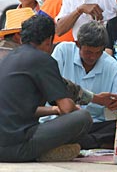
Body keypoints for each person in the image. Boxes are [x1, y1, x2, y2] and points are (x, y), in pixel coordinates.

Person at [0, 15, 93, 162]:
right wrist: (72, 109)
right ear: (49, 40)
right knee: (83, 117)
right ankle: (43, 152)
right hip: (19, 146)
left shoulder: (7, 59)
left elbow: (20, 110)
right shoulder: (43, 59)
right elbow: (67, 108)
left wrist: (53, 110)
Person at [0, 7, 115, 107]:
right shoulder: (36, 58)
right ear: (18, 36)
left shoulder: (11, 54)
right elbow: (65, 102)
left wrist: (95, 98)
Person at [52, 20, 117, 149]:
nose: (93, 57)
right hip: (60, 121)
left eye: (98, 53)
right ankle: (90, 143)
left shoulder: (110, 65)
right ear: (78, 44)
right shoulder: (63, 51)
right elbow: (52, 84)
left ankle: (79, 143)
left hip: (93, 125)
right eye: (88, 52)